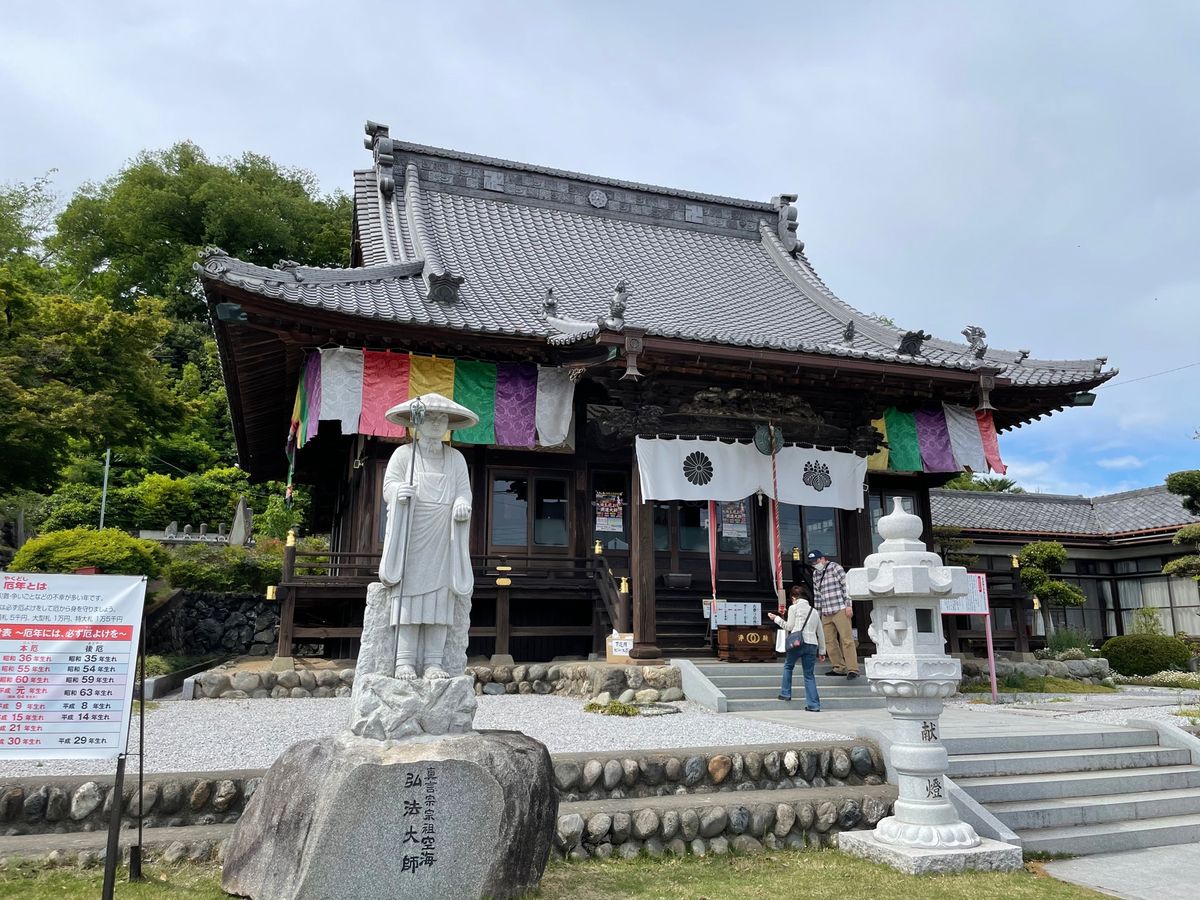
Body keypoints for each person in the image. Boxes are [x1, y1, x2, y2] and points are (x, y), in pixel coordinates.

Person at [378, 393, 478, 681]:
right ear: (416, 423)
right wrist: (399, 492)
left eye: (442, 419)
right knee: (408, 598)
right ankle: (404, 661)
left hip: (444, 536)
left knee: (440, 600)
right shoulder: (403, 455)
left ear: (449, 424)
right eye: (430, 418)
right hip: (412, 533)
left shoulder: (455, 458)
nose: (436, 423)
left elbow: (463, 491)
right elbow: (389, 487)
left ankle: (434, 661)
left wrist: (461, 504)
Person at [768, 584, 826, 711]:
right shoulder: (814, 611)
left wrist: (776, 618)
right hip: (812, 644)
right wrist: (822, 651)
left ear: (794, 597)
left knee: (788, 666)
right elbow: (820, 632)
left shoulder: (794, 608)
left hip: (797, 643)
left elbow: (789, 627)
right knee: (809, 675)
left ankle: (785, 693)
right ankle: (814, 705)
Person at [808, 550, 859, 679]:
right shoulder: (815, 574)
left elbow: (846, 586)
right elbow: (817, 596)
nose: (815, 564)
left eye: (817, 561)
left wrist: (848, 605)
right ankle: (838, 667)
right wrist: (818, 614)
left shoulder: (835, 568)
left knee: (846, 639)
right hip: (826, 611)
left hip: (840, 608)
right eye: (813, 563)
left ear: (823, 558)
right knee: (829, 641)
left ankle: (852, 668)